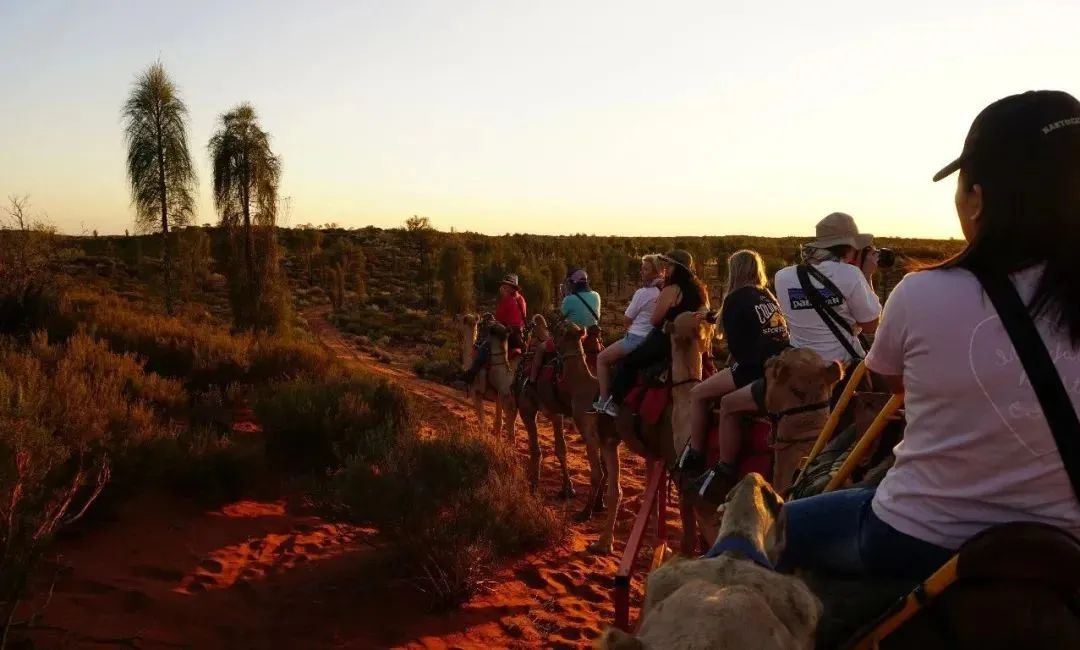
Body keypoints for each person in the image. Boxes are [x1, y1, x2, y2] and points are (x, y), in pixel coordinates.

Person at [778, 90, 1080, 582]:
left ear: (977, 200)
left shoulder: (921, 293)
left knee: (759, 530)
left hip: (921, 534)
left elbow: (894, 382)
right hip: (1067, 547)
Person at [676, 250, 790, 482]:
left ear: (735, 271)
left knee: (698, 394)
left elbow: (737, 350)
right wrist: (709, 316)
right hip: (781, 363)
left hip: (755, 367)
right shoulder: (766, 294)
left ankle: (699, 456)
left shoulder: (735, 298)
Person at [604, 249, 709, 416]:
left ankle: (615, 403)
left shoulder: (672, 289)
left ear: (678, 268)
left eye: (669, 265)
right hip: (692, 344)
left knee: (629, 362)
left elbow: (655, 320)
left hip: (665, 340)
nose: (666, 268)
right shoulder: (701, 290)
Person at [773, 212, 882, 367]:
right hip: (839, 369)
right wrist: (866, 275)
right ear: (850, 248)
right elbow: (871, 326)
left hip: (799, 369)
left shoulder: (782, 277)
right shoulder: (851, 274)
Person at [591, 254, 664, 414]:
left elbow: (627, 319)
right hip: (654, 341)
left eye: (646, 269)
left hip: (636, 338)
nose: (642, 272)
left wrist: (629, 328)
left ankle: (604, 400)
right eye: (642, 269)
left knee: (601, 359)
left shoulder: (643, 293)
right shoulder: (665, 292)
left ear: (656, 272)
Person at [463, 274, 527, 383]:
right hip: (519, 334)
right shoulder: (521, 299)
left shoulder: (508, 300)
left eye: (507, 286)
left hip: (508, 333)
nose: (503, 288)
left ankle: (472, 372)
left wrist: (493, 323)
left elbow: (500, 318)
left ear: (512, 288)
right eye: (504, 285)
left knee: (485, 344)